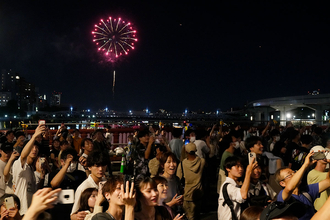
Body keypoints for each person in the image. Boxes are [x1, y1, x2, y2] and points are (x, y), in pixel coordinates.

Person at [275, 151, 330, 220]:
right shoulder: (282, 196)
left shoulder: (306, 191)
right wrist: (305, 165)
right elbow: (289, 188)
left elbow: (328, 181)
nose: (295, 174)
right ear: (282, 183)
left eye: (294, 172)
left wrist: (328, 159)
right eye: (289, 175)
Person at [6, 125, 45, 215]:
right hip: (21, 210)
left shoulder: (31, 168)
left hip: (29, 210)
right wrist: (34, 136)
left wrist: (41, 176)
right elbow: (23, 155)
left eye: (37, 148)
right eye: (32, 148)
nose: (35, 149)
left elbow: (34, 191)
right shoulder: (19, 163)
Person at [70, 151, 109, 220]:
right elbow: (72, 215)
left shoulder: (107, 183)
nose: (100, 169)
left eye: (103, 165)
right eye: (97, 166)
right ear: (89, 167)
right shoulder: (83, 187)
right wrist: (77, 216)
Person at [177, 143, 205, 220]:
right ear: (196, 150)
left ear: (186, 151)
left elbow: (178, 178)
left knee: (190, 217)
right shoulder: (202, 161)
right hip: (199, 193)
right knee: (197, 216)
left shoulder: (182, 164)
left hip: (187, 194)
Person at [307, 146, 330, 211]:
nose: (325, 156)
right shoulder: (312, 174)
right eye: (322, 153)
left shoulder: (326, 172)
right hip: (320, 210)